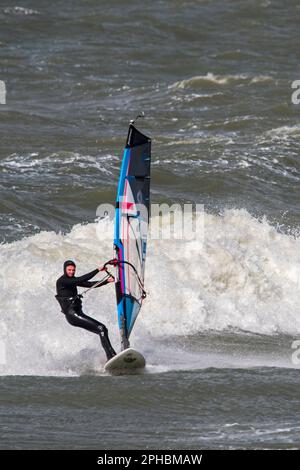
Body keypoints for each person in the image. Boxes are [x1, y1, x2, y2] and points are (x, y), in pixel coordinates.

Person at [55, 260, 116, 361]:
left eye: (73, 270)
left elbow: (89, 284)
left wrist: (106, 281)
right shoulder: (62, 281)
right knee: (101, 328)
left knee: (102, 330)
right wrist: (97, 270)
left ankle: (111, 356)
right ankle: (111, 356)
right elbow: (82, 279)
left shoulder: (72, 280)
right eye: (69, 270)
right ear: (65, 270)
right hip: (73, 315)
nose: (71, 272)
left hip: (78, 313)